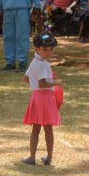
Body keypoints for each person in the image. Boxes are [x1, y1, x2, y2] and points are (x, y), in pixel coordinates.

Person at [22, 32, 61, 166]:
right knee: (48, 128)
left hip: (36, 97)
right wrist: (55, 83)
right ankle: (49, 157)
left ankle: (32, 157)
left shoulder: (34, 61)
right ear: (37, 49)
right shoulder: (43, 64)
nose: (48, 52)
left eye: (50, 49)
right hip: (46, 98)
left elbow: (25, 79)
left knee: (36, 128)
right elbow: (42, 84)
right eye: (45, 49)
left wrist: (35, 85)